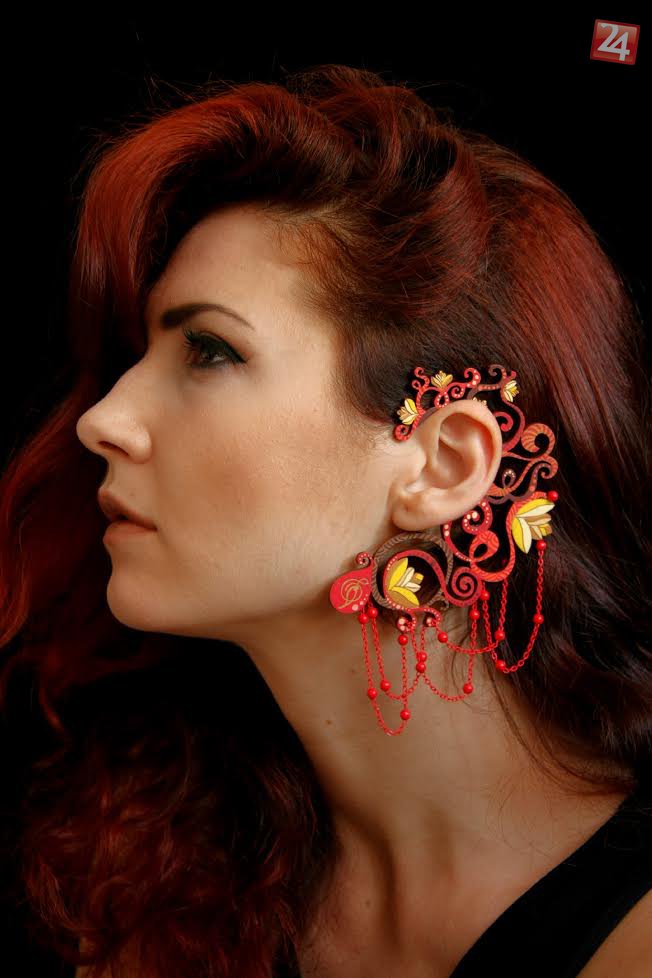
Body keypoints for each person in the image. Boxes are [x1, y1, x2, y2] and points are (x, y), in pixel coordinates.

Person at [0, 63, 650, 978]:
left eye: (209, 350)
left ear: (444, 464)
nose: (103, 420)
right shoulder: (165, 897)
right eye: (141, 354)